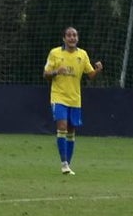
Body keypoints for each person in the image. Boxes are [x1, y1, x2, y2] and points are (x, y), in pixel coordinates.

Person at [43, 26, 101, 175]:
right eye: (69, 35)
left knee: (71, 130)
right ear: (64, 38)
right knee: (62, 125)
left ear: (77, 38)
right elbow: (46, 74)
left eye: (74, 35)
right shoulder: (55, 53)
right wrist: (57, 71)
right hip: (59, 96)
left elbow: (90, 75)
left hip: (75, 99)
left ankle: (67, 165)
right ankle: (63, 163)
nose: (72, 38)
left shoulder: (82, 54)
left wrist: (97, 70)